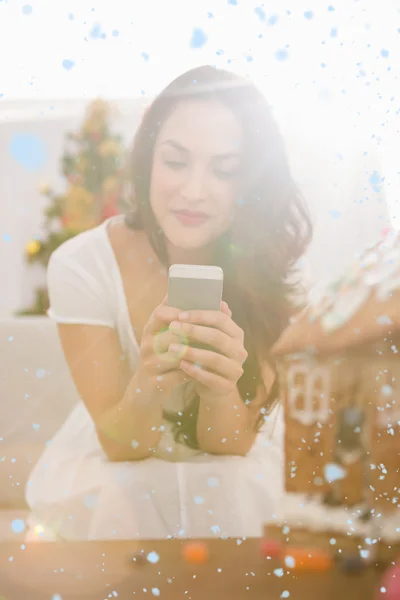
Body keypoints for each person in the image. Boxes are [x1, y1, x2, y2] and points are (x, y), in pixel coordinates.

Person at [25, 65, 312, 541]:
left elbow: (229, 445)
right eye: (176, 162)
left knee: (234, 483)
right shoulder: (82, 264)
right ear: (148, 160)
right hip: (119, 449)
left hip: (230, 458)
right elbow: (123, 447)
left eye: (225, 170)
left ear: (251, 183)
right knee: (123, 490)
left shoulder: (271, 267)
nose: (194, 191)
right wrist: (149, 380)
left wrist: (220, 389)